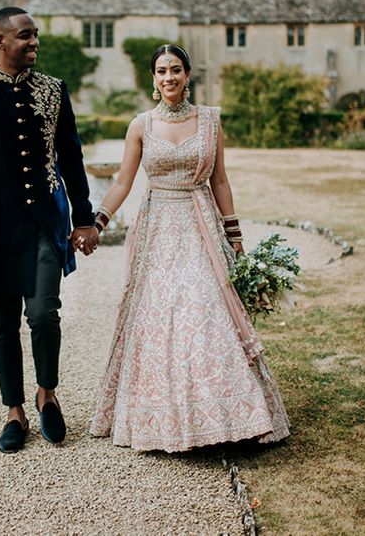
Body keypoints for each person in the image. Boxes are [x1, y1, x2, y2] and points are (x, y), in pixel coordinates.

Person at [89, 44, 290, 452]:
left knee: (204, 308)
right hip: (158, 227)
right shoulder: (141, 125)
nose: (169, 77)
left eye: (176, 69)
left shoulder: (210, 121)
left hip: (200, 224)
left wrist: (234, 236)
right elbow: (124, 182)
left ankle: (231, 416)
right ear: (153, 79)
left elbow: (219, 181)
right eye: (161, 71)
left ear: (188, 75)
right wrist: (99, 220)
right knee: (160, 314)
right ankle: (163, 418)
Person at [0, 6, 99, 453]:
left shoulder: (54, 91)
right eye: (25, 36)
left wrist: (84, 218)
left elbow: (71, 158)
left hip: (44, 225)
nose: (34, 43)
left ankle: (47, 394)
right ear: (0, 41)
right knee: (1, 326)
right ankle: (13, 410)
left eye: (35, 36)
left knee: (42, 315)